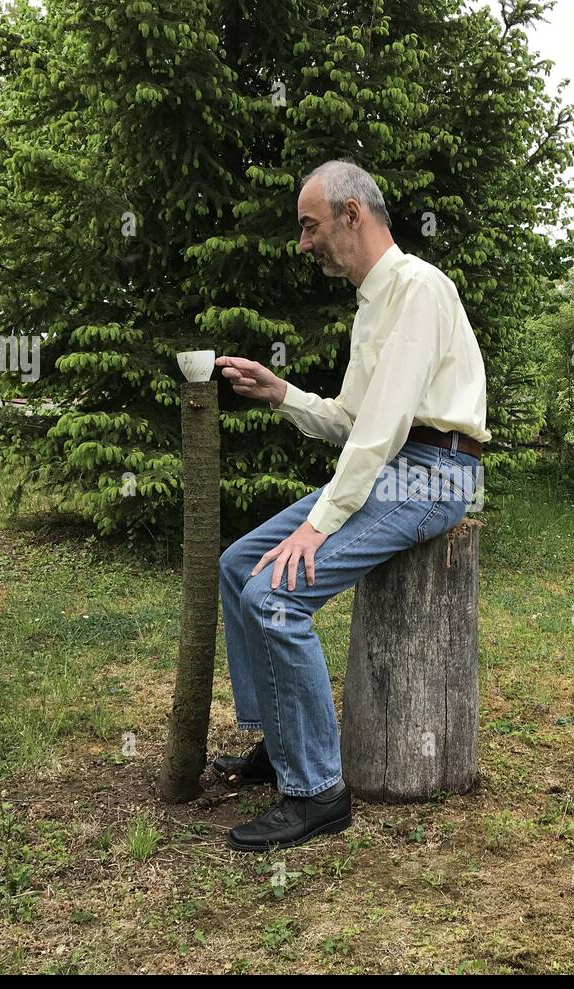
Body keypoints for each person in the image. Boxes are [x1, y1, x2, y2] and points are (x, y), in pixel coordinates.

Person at [212, 159, 490, 851]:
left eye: (310, 226)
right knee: (236, 564)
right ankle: (282, 743)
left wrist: (318, 525)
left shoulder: (419, 289)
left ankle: (317, 793)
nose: (304, 243)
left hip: (434, 474)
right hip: (395, 463)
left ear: (351, 215)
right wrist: (282, 393)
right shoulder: (372, 303)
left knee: (275, 596)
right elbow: (350, 419)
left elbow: (382, 430)